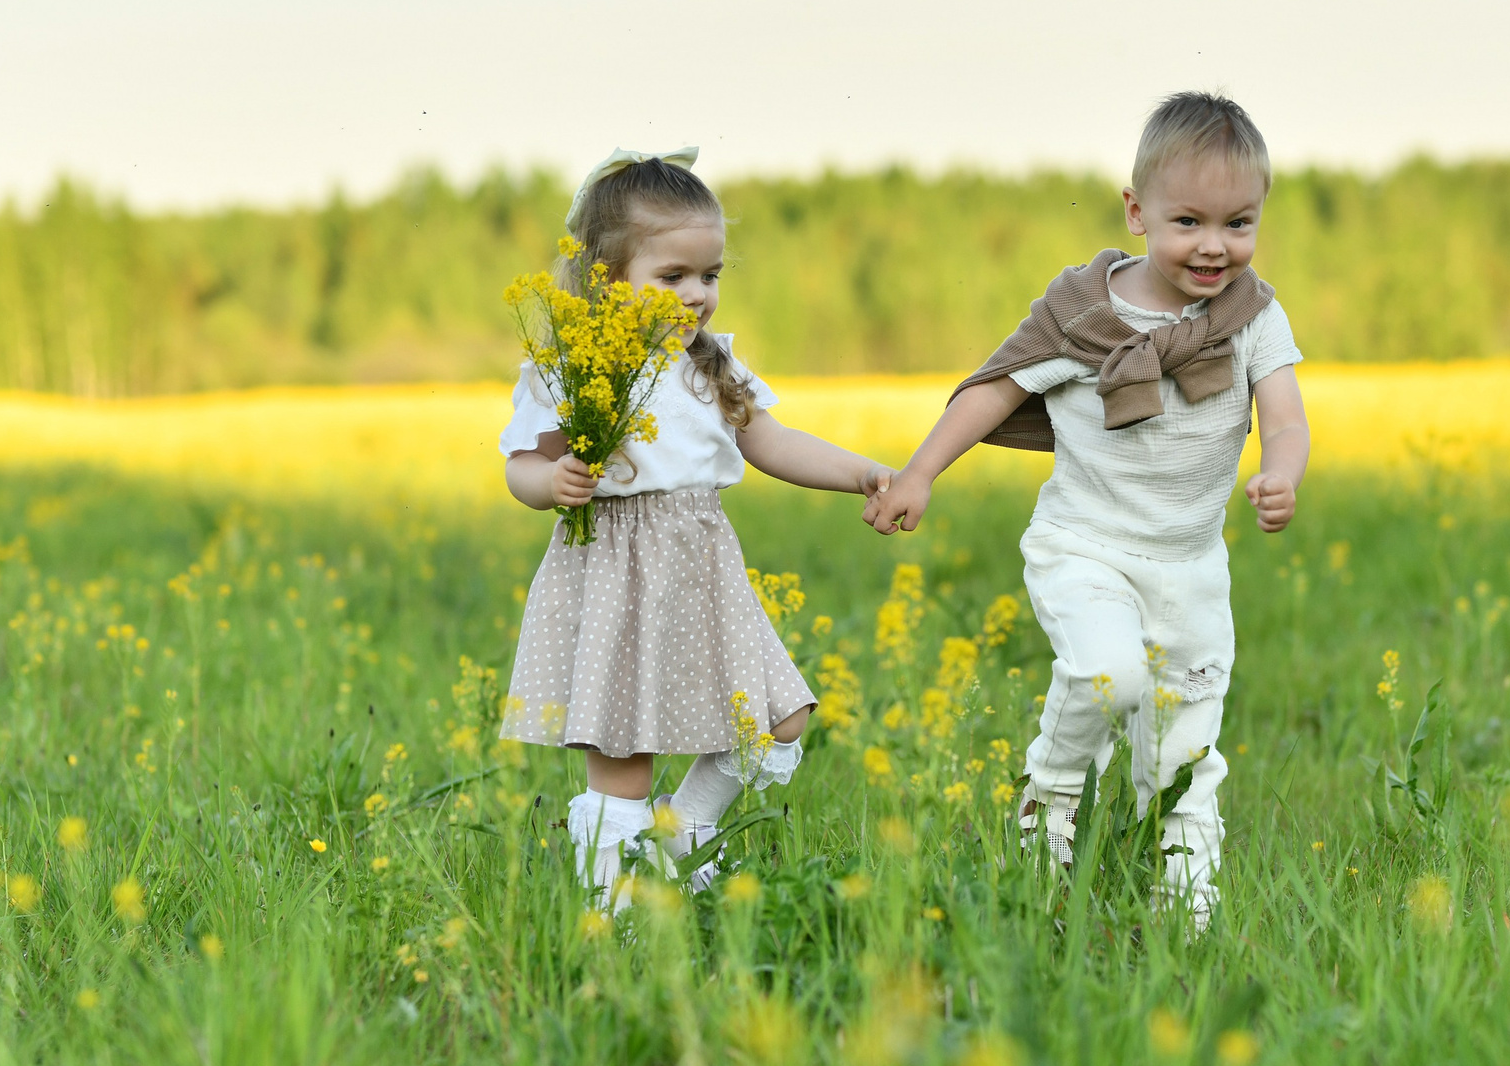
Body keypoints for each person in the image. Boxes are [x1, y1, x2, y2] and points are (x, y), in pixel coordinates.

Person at [864, 94, 1310, 928]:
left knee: (1185, 748)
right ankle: (1054, 796)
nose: (1215, 245)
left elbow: (1284, 414)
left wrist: (1280, 471)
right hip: (1086, 546)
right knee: (1112, 675)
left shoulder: (1253, 316)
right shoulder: (1082, 314)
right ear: (1137, 212)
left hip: (1191, 567)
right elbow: (994, 388)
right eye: (1188, 220)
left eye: (1239, 222)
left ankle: (1189, 921)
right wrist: (920, 471)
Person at [502, 149, 895, 896]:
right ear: (606, 278)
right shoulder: (575, 368)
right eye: (672, 277)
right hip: (618, 576)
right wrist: (549, 482)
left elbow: (773, 441)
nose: (696, 295)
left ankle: (676, 840)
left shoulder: (711, 366)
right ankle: (615, 906)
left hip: (702, 571)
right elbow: (522, 462)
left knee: (780, 716)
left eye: (709, 276)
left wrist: (864, 473)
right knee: (625, 755)